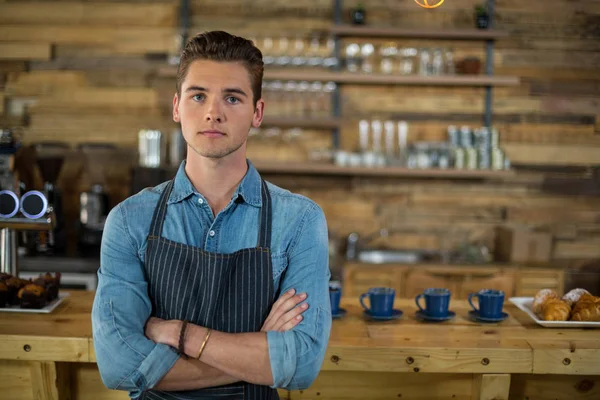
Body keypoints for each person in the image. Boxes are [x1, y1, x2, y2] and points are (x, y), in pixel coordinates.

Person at [91, 30, 331, 399]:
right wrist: (259, 355)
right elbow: (120, 367)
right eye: (198, 95)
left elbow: (301, 365)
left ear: (257, 112)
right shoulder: (128, 220)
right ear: (176, 107)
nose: (212, 112)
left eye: (232, 98)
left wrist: (180, 334)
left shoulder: (299, 221)